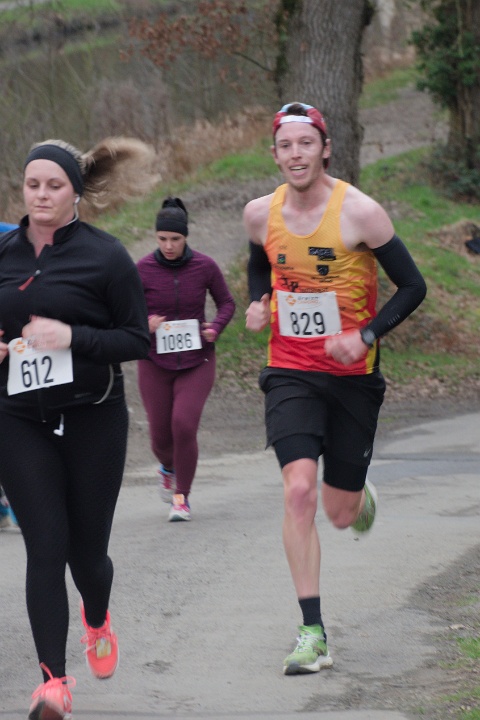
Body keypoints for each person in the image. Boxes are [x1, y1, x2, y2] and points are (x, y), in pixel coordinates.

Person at [244, 102, 427, 675]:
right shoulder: (259, 213)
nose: (296, 154)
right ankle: (312, 632)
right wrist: (258, 300)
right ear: (275, 154)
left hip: (352, 379)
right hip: (290, 370)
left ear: (325, 149)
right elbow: (259, 261)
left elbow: (413, 286)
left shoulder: (361, 213)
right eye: (286, 145)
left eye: (306, 143)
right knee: (298, 491)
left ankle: (357, 495)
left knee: (339, 514)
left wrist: (366, 334)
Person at [0, 136, 157, 719]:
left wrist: (71, 337)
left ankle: (96, 617)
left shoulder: (106, 257)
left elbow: (136, 340)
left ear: (75, 193)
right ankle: (53, 683)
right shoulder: (3, 254)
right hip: (19, 417)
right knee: (45, 543)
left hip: (94, 415)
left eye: (54, 185)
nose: (41, 195)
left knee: (87, 556)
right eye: (32, 184)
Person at [137, 197, 235, 521]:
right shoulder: (142, 269)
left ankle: (182, 497)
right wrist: (144, 323)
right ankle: (167, 467)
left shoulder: (205, 266)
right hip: (154, 361)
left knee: (183, 424)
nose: (168, 246)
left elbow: (227, 303)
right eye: (162, 238)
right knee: (160, 438)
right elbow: (124, 312)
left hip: (197, 360)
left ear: (186, 237)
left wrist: (215, 327)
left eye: (175, 239)